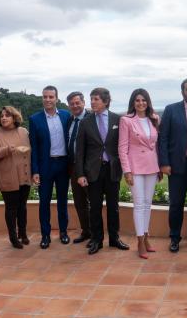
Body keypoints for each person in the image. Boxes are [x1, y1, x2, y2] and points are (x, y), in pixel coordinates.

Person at [75, 87, 129, 255]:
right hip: (93, 171)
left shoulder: (117, 120)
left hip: (112, 170)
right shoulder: (85, 122)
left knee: (113, 207)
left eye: (96, 99)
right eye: (91, 99)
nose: (92, 102)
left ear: (106, 101)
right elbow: (80, 151)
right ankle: (97, 240)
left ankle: (114, 238)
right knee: (95, 207)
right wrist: (80, 174)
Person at [158, 77, 187, 252]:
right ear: (182, 92)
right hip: (177, 165)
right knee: (176, 203)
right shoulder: (171, 110)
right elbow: (162, 138)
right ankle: (174, 237)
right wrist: (163, 162)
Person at [119, 88, 162, 259]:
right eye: (137, 100)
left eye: (144, 100)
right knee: (139, 204)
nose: (141, 103)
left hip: (152, 166)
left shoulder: (155, 119)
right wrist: (127, 171)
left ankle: (146, 236)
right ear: (133, 102)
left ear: (148, 102)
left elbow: (156, 146)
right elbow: (122, 148)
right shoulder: (126, 120)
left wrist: (159, 167)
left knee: (147, 203)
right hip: (135, 167)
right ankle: (140, 241)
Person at [29, 85, 70, 249]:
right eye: (45, 97)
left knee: (62, 201)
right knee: (44, 202)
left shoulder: (66, 116)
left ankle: (63, 232)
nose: (47, 100)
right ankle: (45, 235)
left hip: (63, 164)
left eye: (51, 97)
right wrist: (35, 170)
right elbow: (34, 147)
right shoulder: (35, 119)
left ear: (56, 99)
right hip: (45, 165)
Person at [0, 106, 32, 249]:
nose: (4, 118)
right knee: (11, 208)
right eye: (2, 116)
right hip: (7, 176)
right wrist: (7, 149)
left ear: (14, 117)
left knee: (22, 207)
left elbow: (31, 148)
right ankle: (13, 237)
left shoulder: (24, 131)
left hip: (24, 175)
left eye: (7, 115)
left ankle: (23, 234)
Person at [66, 91, 91, 244]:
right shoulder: (70, 121)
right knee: (79, 201)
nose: (75, 106)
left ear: (83, 103)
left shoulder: (91, 119)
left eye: (77, 103)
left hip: (88, 167)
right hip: (73, 167)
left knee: (92, 201)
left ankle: (96, 233)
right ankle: (86, 231)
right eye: (72, 103)